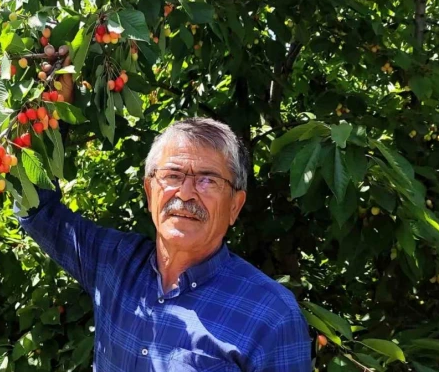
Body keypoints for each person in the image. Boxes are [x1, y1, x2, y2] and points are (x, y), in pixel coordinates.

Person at [16, 69, 311, 371]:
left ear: (235, 206)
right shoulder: (113, 262)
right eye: (172, 175)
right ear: (149, 191)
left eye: (207, 180)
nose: (186, 193)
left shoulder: (273, 316)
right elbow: (38, 212)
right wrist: (51, 116)